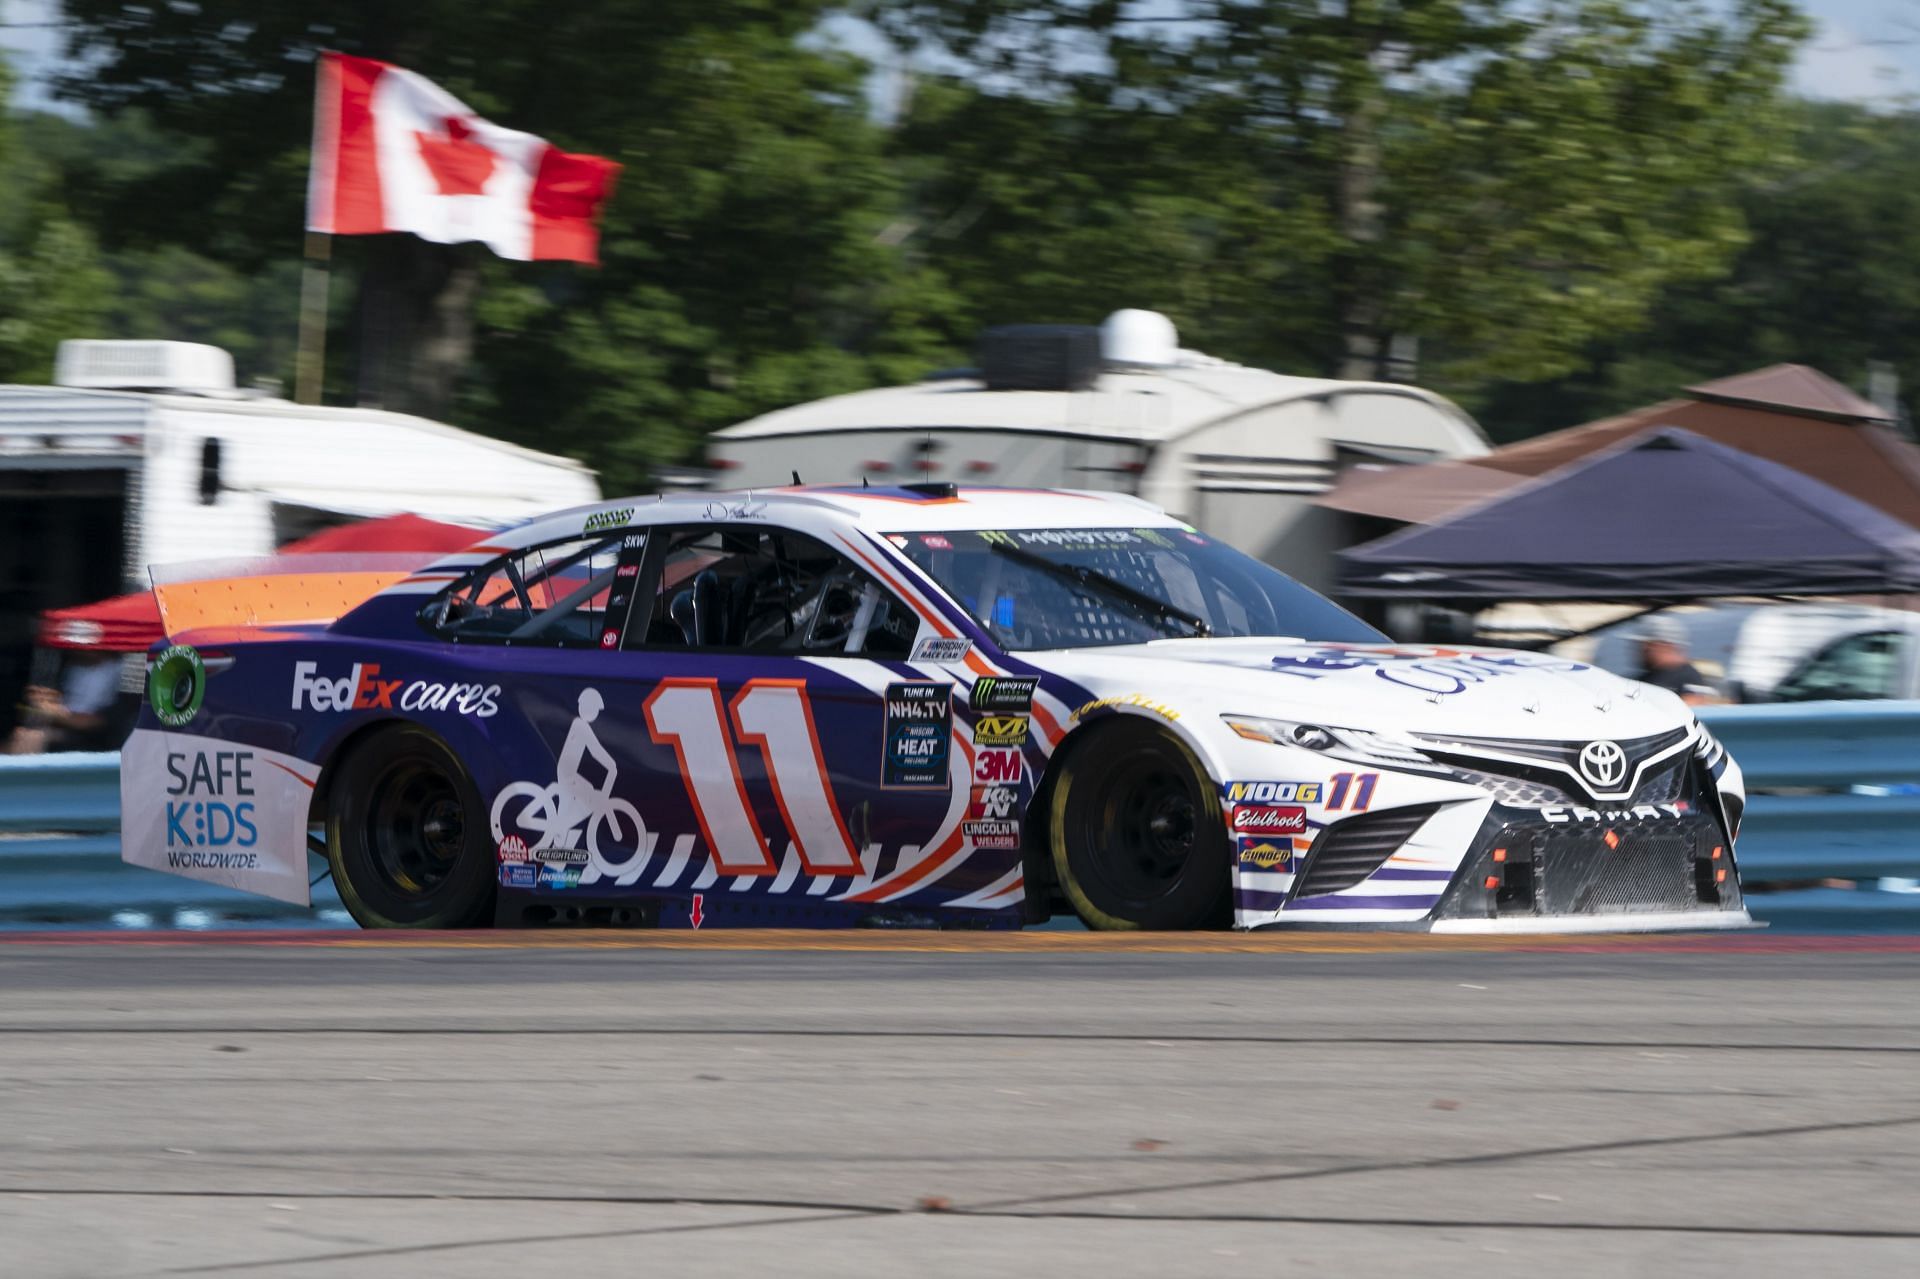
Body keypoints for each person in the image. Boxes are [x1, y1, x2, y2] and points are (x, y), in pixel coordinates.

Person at [8, 650, 123, 754]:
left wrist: (52, 713)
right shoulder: (68, 666)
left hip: (95, 735)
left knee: (32, 737)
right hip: (61, 724)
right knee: (18, 733)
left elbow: (98, 721)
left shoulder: (117, 671)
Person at [1633, 615, 1717, 705]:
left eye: (1648, 645)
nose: (1641, 649)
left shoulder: (1688, 676)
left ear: (1664, 645)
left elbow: (1693, 707)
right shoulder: (1642, 679)